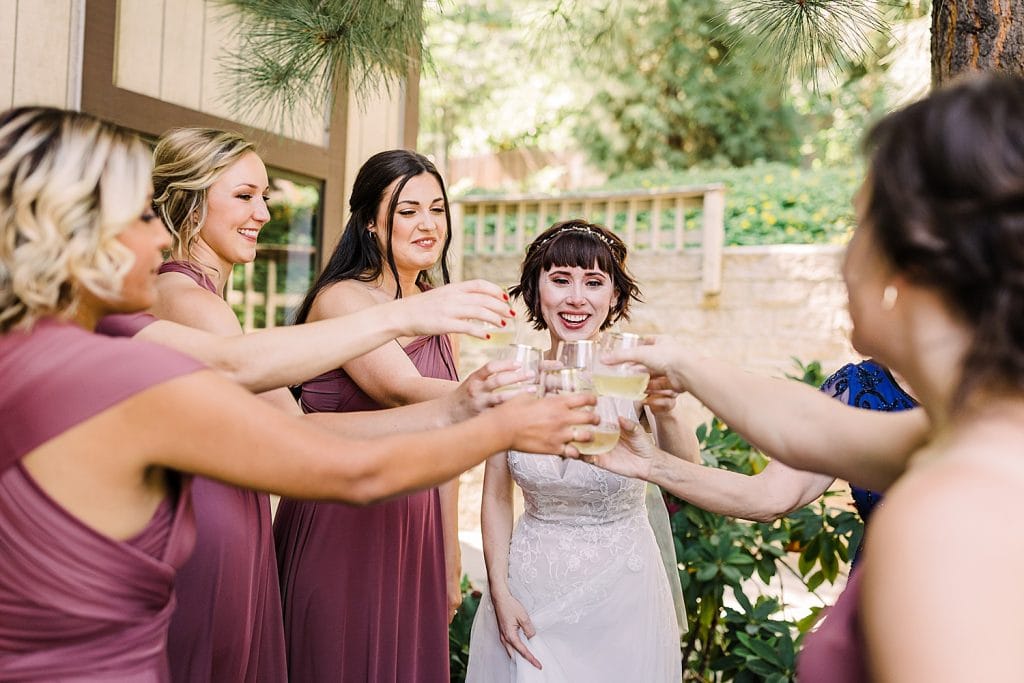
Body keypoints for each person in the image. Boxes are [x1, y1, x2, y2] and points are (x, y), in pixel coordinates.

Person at [0, 106, 596, 681]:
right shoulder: (110, 364)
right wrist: (489, 421)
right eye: (139, 215)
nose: (161, 232)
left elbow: (270, 394)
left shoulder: (48, 353)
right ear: (74, 232)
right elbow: (320, 447)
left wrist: (455, 400)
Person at [602, 73, 1024, 681]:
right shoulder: (971, 429)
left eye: (857, 226)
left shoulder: (944, 516)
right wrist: (678, 373)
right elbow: (807, 423)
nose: (840, 257)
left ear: (909, 259)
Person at [274, 149, 504, 682]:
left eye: (438, 209)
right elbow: (403, 390)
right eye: (408, 210)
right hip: (343, 518)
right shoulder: (341, 300)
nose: (428, 224)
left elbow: (445, 447)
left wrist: (448, 557)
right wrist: (502, 391)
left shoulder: (432, 306)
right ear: (372, 223)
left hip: (415, 529)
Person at [465, 219, 697, 682]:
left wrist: (666, 412)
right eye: (560, 280)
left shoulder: (632, 375)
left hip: (624, 595)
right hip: (529, 591)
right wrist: (500, 591)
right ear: (536, 290)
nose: (577, 298)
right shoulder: (514, 378)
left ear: (614, 296)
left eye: (594, 282)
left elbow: (689, 473)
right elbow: (494, 497)